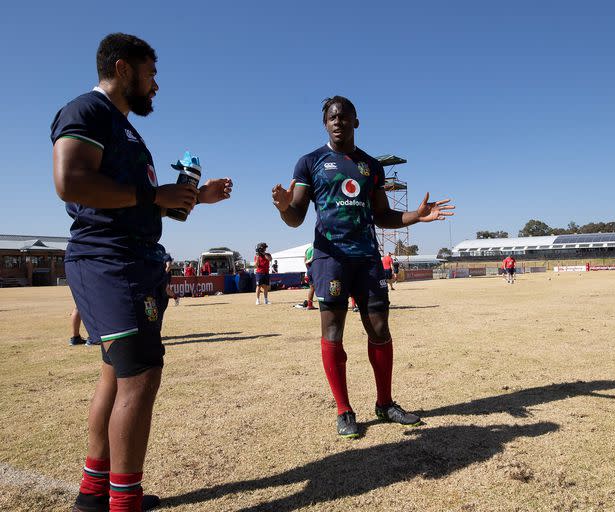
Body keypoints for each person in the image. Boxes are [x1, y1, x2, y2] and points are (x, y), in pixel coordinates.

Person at [52, 33, 232, 511]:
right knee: (140, 377)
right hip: (108, 260)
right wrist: (155, 196)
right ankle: (124, 503)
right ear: (124, 68)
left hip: (133, 259)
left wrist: (192, 196)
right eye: (151, 73)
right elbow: (70, 181)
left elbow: (142, 202)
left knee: (116, 374)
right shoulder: (86, 111)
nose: (156, 85)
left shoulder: (125, 129)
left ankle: (94, 496)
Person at [272, 95, 454, 438]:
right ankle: (344, 411)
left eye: (345, 116)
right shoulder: (309, 162)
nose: (338, 121)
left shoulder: (372, 166)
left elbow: (382, 215)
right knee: (332, 332)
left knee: (380, 329)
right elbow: (295, 216)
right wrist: (284, 207)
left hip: (367, 257)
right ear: (325, 124)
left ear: (356, 122)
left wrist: (417, 214)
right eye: (332, 117)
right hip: (331, 259)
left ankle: (385, 404)